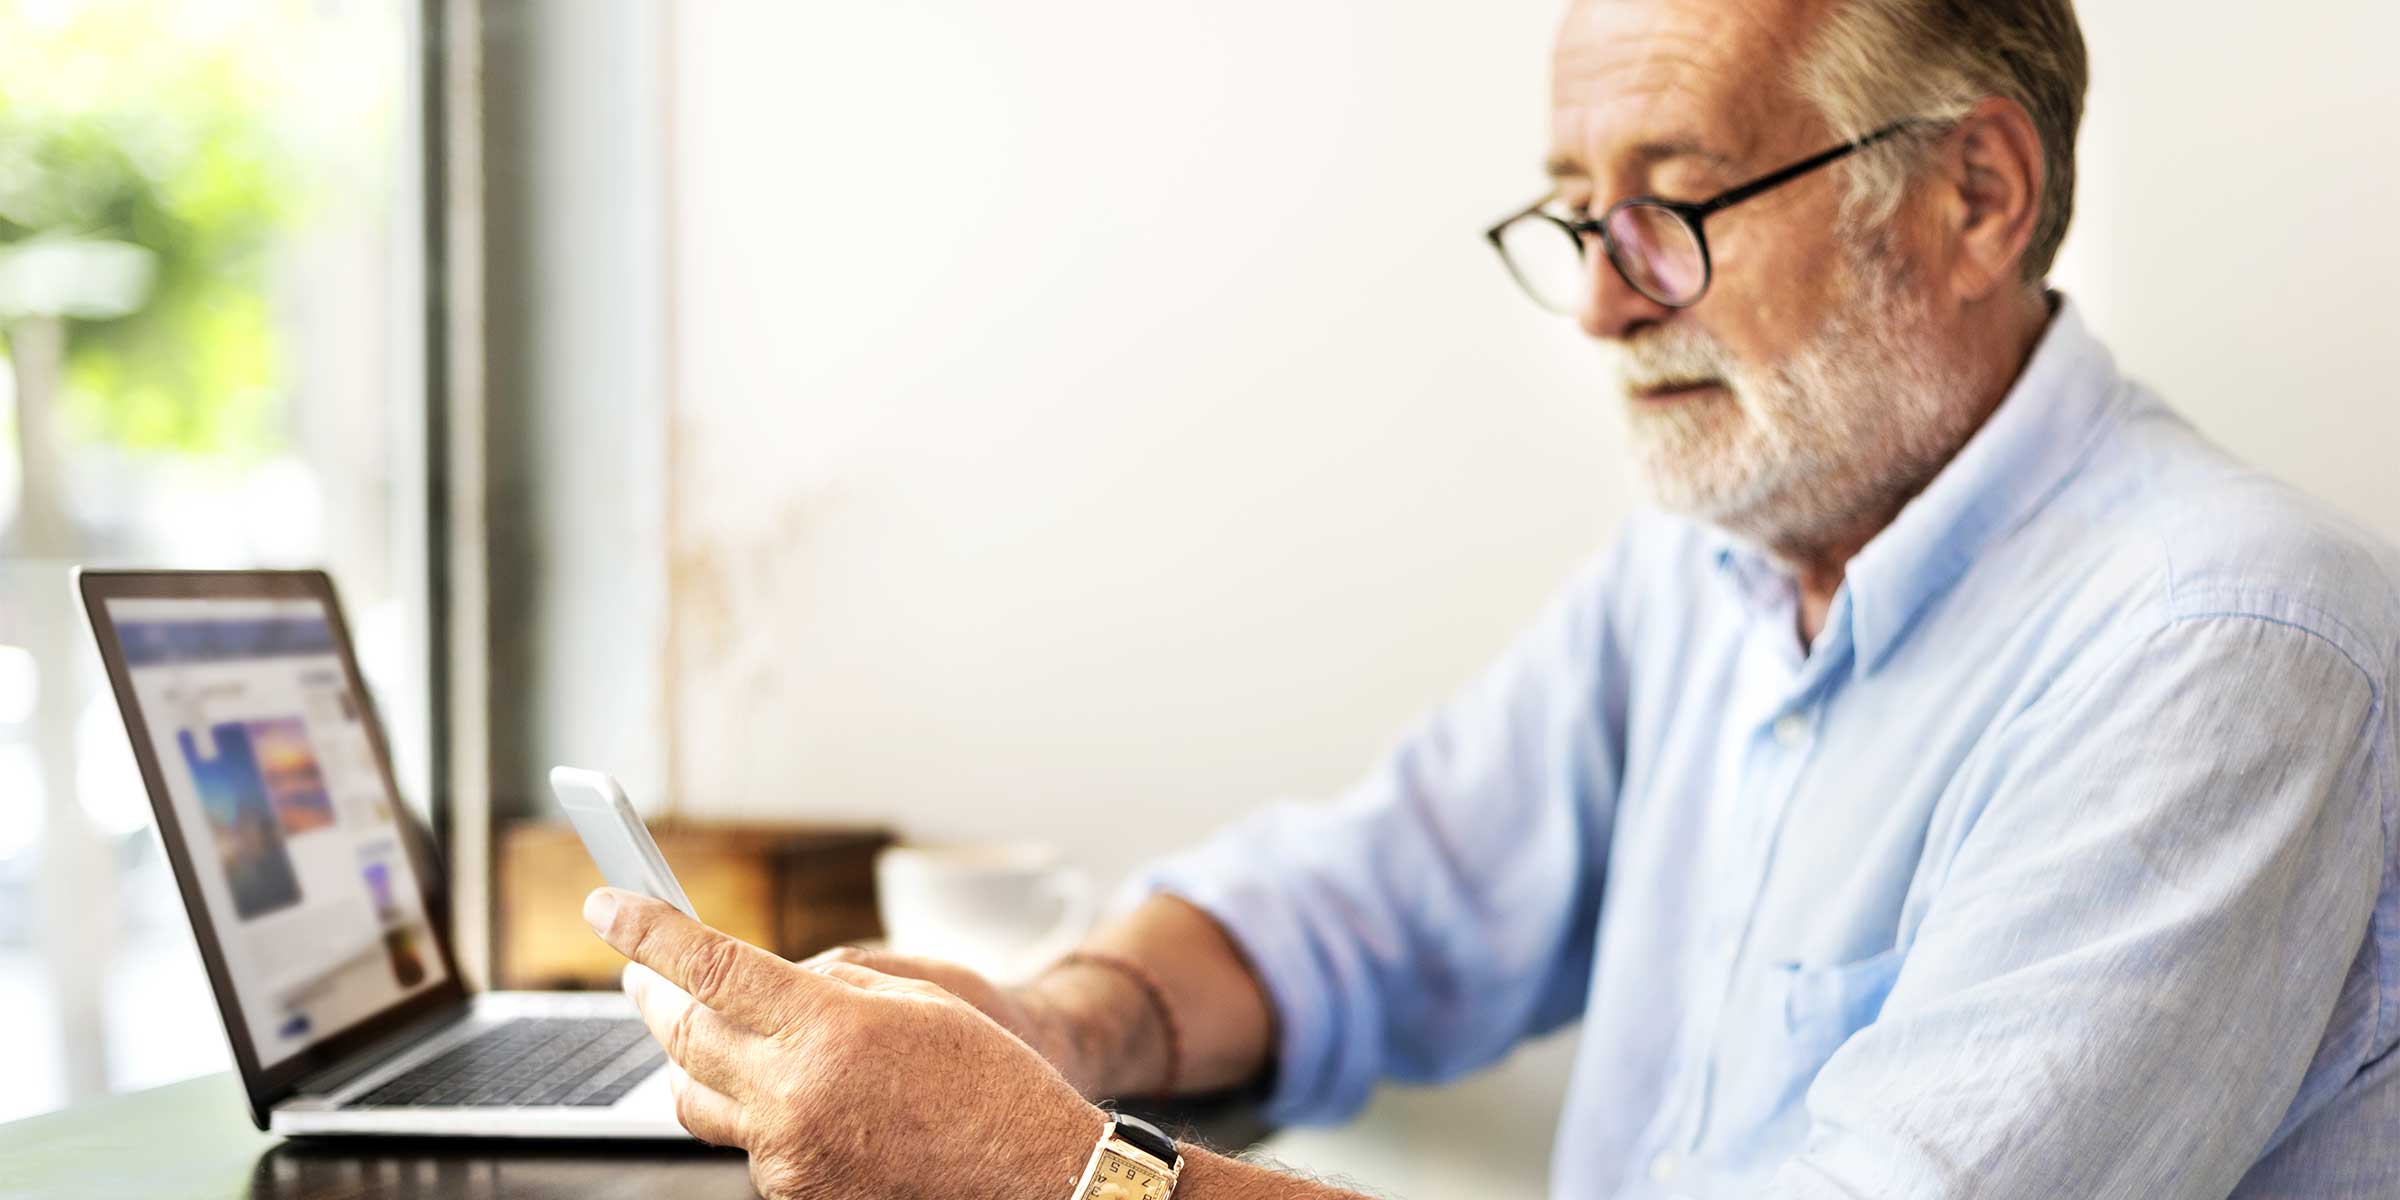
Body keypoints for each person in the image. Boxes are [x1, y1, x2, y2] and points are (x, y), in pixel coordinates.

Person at [582, 0, 2400, 1195]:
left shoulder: (2226, 648)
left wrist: (1064, 1176)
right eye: (1573, 215)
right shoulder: (1712, 568)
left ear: (1977, 196)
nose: (1606, 302)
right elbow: (1370, 906)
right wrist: (1064, 1027)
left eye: (1676, 204)